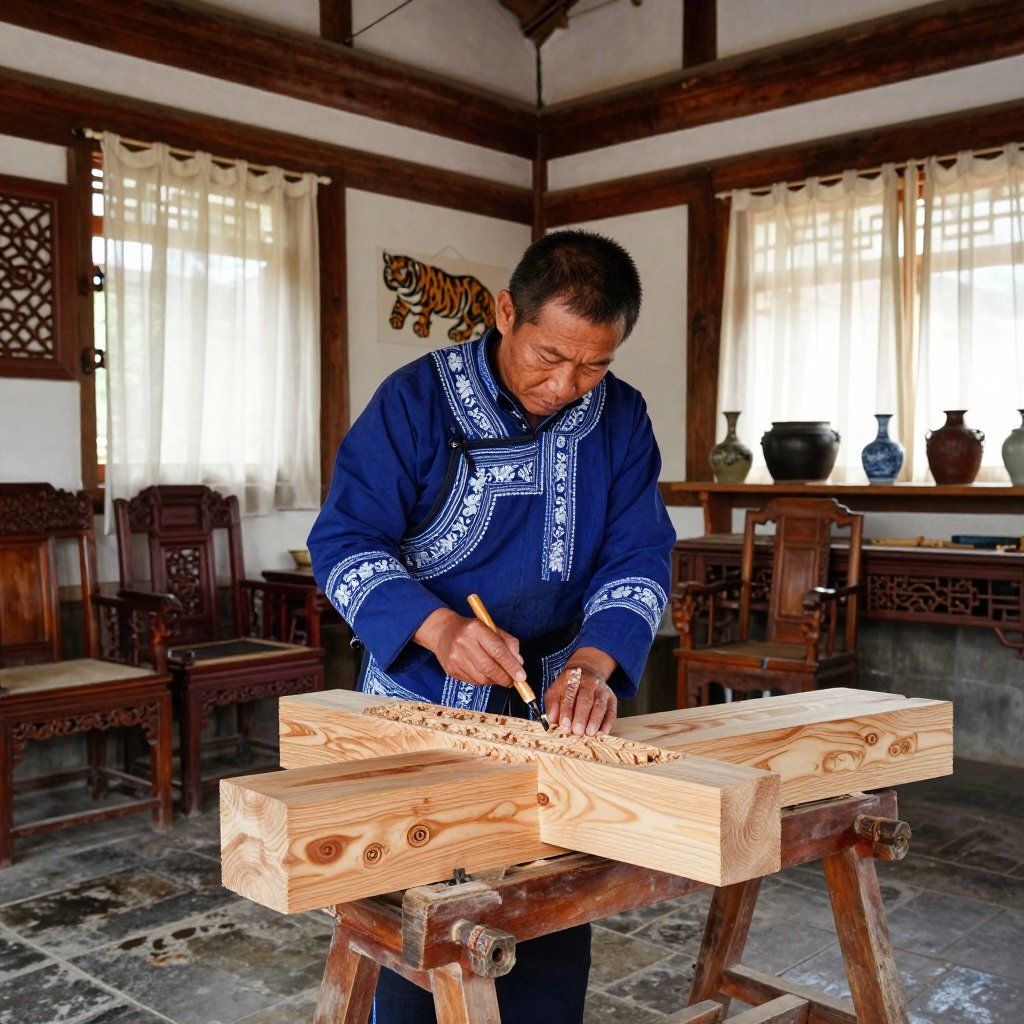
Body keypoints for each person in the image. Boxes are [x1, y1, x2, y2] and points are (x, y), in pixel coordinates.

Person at [308, 229, 676, 1023]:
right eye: (550, 356)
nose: (568, 384)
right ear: (506, 312)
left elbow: (640, 554)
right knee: (421, 944)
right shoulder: (414, 399)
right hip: (418, 703)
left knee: (549, 924)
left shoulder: (622, 418)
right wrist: (438, 628)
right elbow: (340, 541)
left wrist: (595, 664)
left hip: (554, 708)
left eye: (594, 364)